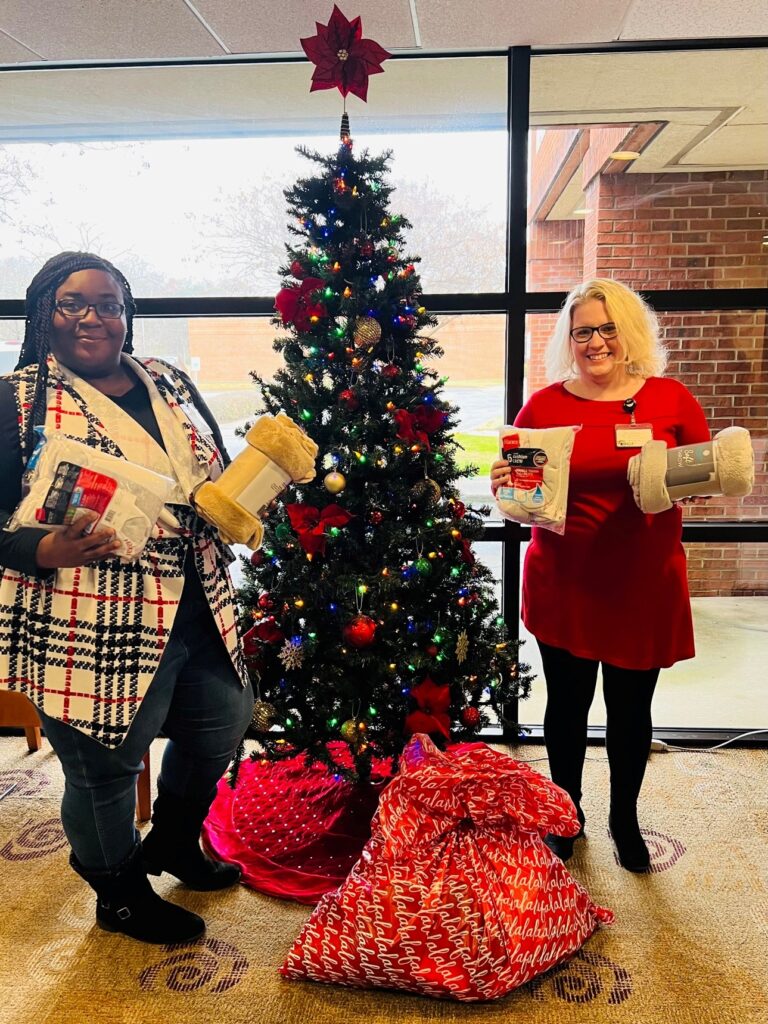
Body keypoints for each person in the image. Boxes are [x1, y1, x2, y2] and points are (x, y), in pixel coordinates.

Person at [0, 252, 254, 942]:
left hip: (199, 596)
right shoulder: (16, 399)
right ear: (43, 312)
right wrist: (38, 548)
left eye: (109, 304)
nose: (93, 317)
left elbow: (213, 465)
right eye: (73, 303)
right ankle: (117, 891)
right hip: (87, 613)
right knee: (104, 765)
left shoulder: (168, 380)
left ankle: (173, 840)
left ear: (128, 314)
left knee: (223, 723)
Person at [491, 279, 710, 872]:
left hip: (643, 584)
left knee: (630, 712)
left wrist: (668, 482)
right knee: (566, 708)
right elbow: (519, 489)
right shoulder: (543, 405)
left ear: (630, 333)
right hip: (565, 581)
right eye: (583, 330)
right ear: (569, 337)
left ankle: (624, 820)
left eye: (608, 328)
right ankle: (568, 815)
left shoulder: (671, 399)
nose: (596, 341)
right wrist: (509, 487)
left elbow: (702, 480)